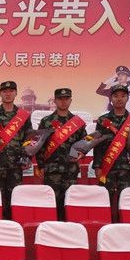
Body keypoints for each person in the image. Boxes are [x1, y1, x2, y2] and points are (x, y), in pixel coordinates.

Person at [0, 81, 33, 217]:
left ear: (16, 93)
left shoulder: (23, 116)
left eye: (11, 91)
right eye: (5, 91)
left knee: (15, 197)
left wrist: (27, 158)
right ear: (0, 93)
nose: (8, 94)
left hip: (16, 165)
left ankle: (13, 225)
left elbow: (29, 139)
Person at [36, 88, 88, 216]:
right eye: (60, 99)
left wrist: (83, 152)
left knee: (69, 203)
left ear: (71, 100)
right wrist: (41, 166)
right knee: (52, 204)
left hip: (71, 169)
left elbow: (85, 142)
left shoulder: (77, 122)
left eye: (66, 99)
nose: (63, 101)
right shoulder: (46, 121)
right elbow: (39, 145)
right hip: (51, 170)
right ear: (55, 101)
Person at [93, 84, 130, 203]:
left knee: (126, 201)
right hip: (107, 167)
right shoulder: (103, 120)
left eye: (123, 96)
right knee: (105, 201)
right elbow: (98, 145)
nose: (119, 99)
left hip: (127, 168)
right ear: (111, 99)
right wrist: (97, 166)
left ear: (127, 98)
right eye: (116, 96)